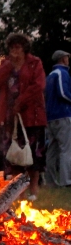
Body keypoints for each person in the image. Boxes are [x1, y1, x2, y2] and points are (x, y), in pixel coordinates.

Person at [0, 33, 47, 199]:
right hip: (11, 116)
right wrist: (9, 65)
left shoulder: (34, 63)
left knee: (33, 153)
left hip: (32, 115)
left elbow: (38, 85)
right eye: (12, 47)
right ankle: (17, 191)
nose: (14, 50)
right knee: (13, 153)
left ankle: (34, 189)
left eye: (18, 46)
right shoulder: (6, 64)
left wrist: (20, 102)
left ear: (24, 48)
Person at [45, 50, 71, 187]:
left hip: (50, 117)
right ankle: (66, 180)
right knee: (65, 149)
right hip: (62, 115)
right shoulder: (62, 73)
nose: (68, 60)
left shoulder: (49, 75)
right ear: (62, 59)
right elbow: (63, 92)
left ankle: (50, 181)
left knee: (52, 150)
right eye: (67, 57)